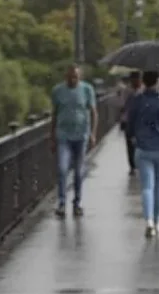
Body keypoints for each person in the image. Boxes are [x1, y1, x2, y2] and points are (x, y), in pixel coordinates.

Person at [127, 71, 159, 237]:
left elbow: (130, 124)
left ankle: (148, 221)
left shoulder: (137, 100)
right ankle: (157, 221)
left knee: (147, 187)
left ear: (143, 82)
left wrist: (134, 137)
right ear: (157, 82)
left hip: (143, 149)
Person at [50, 64, 98, 218]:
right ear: (66, 77)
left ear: (80, 77)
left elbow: (93, 112)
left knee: (78, 171)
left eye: (75, 77)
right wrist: (51, 137)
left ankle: (77, 203)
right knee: (62, 169)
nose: (73, 80)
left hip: (81, 135)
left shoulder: (86, 90)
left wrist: (92, 133)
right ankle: (62, 203)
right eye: (70, 77)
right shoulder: (58, 91)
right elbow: (54, 115)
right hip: (63, 135)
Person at [120, 71, 143, 175]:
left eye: (138, 79)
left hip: (141, 121)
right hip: (128, 120)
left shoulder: (143, 89)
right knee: (130, 145)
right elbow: (122, 104)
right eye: (134, 80)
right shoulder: (126, 90)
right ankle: (132, 166)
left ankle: (140, 163)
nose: (136, 82)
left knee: (141, 143)